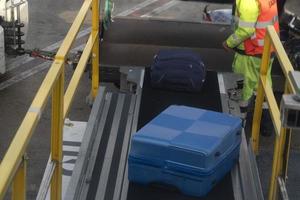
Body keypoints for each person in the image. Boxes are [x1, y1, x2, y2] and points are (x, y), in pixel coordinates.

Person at [223, 0, 279, 136]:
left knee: (242, 89)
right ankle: (266, 124)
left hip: (250, 52)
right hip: (267, 48)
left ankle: (237, 126)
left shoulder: (248, 1)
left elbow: (246, 30)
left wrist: (229, 43)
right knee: (263, 85)